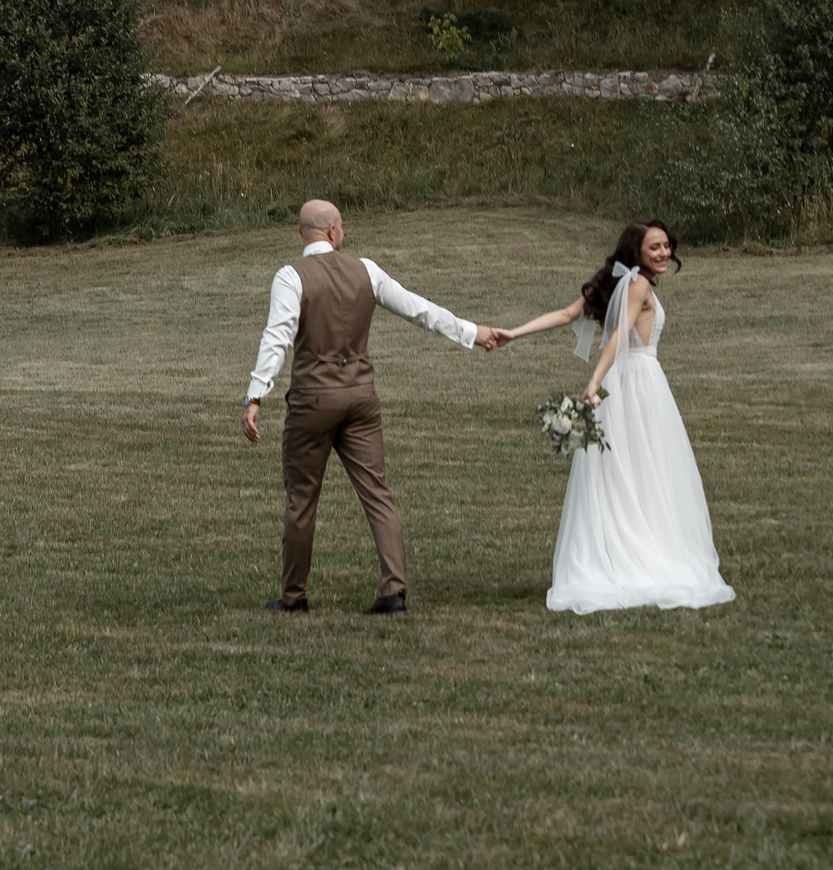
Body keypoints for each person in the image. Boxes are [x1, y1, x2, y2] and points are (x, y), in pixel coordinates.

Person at [241, 200, 510, 615]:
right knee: (378, 495)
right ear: (332, 232)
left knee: (301, 500)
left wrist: (256, 395)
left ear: (302, 234)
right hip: (361, 397)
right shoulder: (366, 269)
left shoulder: (290, 276)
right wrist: (474, 333)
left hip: (313, 399)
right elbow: (420, 309)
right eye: (342, 226)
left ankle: (294, 596)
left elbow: (277, 337)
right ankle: (393, 592)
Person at [503, 219, 735, 614]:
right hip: (638, 384)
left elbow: (564, 313)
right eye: (655, 248)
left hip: (621, 386)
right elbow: (617, 337)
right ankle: (645, 550)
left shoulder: (618, 282)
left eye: (666, 246)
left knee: (622, 469)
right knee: (647, 468)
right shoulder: (638, 284)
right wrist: (593, 381)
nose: (664, 254)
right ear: (636, 253)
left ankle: (622, 542)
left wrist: (512, 332)